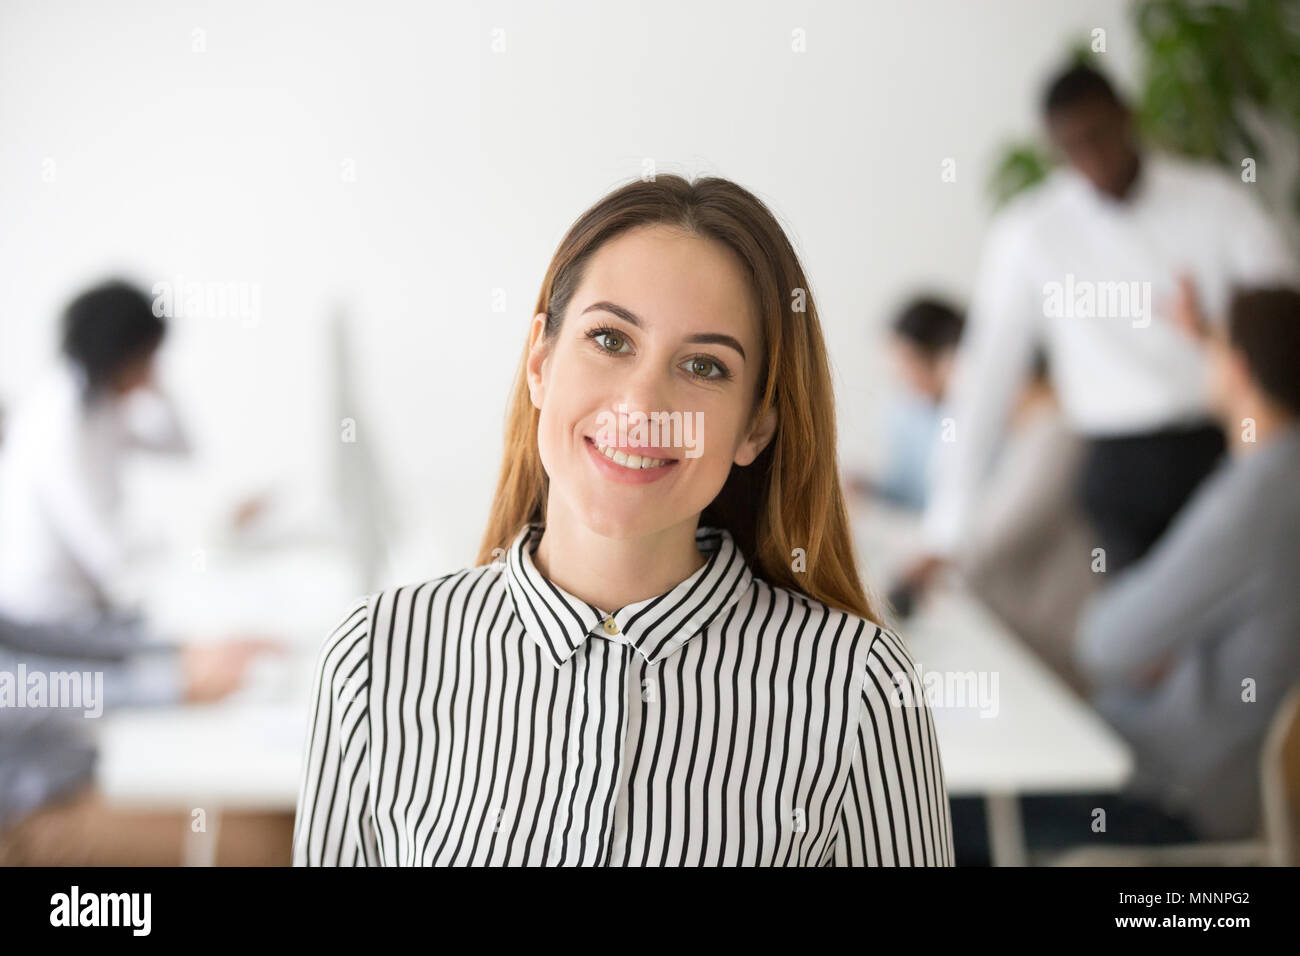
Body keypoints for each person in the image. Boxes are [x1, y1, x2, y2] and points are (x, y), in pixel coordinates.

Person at [293, 175, 954, 866]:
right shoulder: (373, 659)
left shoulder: (860, 688)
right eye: (609, 340)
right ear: (540, 361)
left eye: (703, 365)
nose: (640, 407)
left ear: (756, 425)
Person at [906, 62, 1296, 595]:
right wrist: (947, 525)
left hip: (1213, 451)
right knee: (1137, 638)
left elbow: (1282, 324)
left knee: (1233, 611)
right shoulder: (1031, 234)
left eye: (1100, 135)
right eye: (1072, 147)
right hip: (1114, 473)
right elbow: (986, 378)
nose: (1092, 158)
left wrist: (1210, 330)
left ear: (1126, 117)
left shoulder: (1216, 203)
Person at [1072, 285, 1300, 844]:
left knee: (959, 816)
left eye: (1212, 344)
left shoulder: (1253, 496)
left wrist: (1158, 643)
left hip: (1181, 792)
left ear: (1239, 367)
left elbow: (1104, 643)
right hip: (1244, 782)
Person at [0, 610, 284, 865]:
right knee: (271, 841)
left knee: (284, 816)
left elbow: (45, 639)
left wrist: (179, 653)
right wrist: (176, 685)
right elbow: (19, 690)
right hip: (25, 821)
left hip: (69, 779)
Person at [0, 280, 191, 627]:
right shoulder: (57, 422)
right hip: (48, 620)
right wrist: (199, 541)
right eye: (148, 356)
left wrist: (156, 386)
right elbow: (110, 556)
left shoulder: (100, 403)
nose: (151, 366)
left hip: (89, 607)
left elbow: (180, 447)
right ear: (120, 353)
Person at [951, 350, 1096, 697]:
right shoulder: (1036, 433)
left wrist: (942, 558)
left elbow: (997, 538)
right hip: (1033, 630)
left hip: (1047, 637)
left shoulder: (1058, 433)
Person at [848, 297, 964, 510]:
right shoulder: (902, 412)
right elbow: (907, 491)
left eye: (907, 362)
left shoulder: (973, 414)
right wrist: (868, 488)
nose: (899, 375)